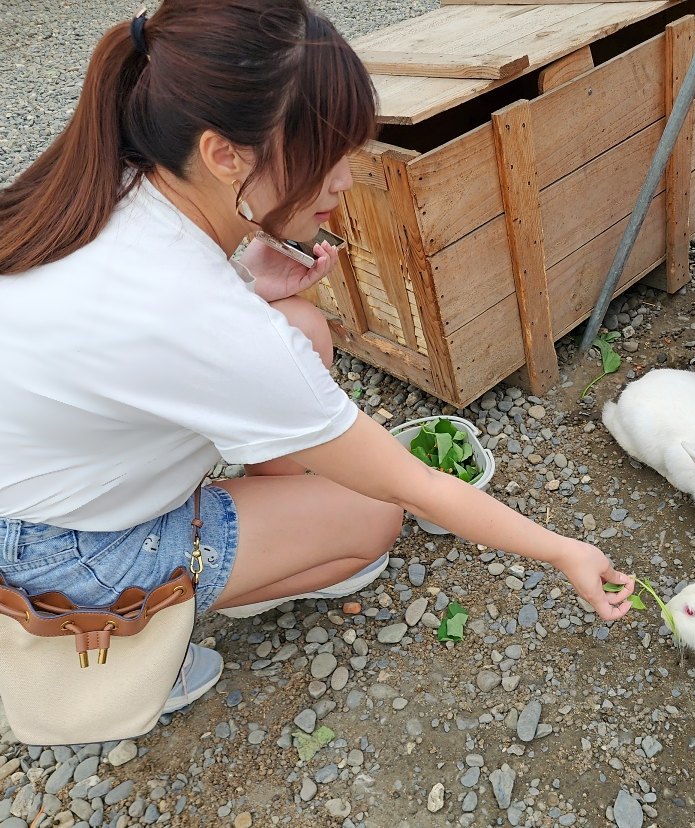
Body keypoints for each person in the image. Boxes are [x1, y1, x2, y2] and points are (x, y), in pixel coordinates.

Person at [0, 0, 634, 718]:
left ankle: (256, 543)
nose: (345, 179)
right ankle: (136, 651)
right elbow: (417, 487)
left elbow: (157, 331)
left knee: (299, 323)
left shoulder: (112, 177)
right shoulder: (207, 324)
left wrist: (246, 283)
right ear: (222, 154)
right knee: (371, 522)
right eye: (328, 153)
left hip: (35, 482)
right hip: (59, 557)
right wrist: (563, 551)